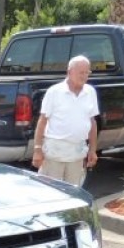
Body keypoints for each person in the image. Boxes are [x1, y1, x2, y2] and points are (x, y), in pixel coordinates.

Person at [31, 54, 99, 186]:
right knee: (50, 191)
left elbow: (92, 122)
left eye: (87, 72)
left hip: (77, 154)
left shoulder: (90, 92)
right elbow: (42, 121)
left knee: (74, 192)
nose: (84, 76)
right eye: (80, 72)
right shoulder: (54, 92)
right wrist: (37, 149)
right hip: (55, 153)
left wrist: (92, 149)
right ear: (69, 72)